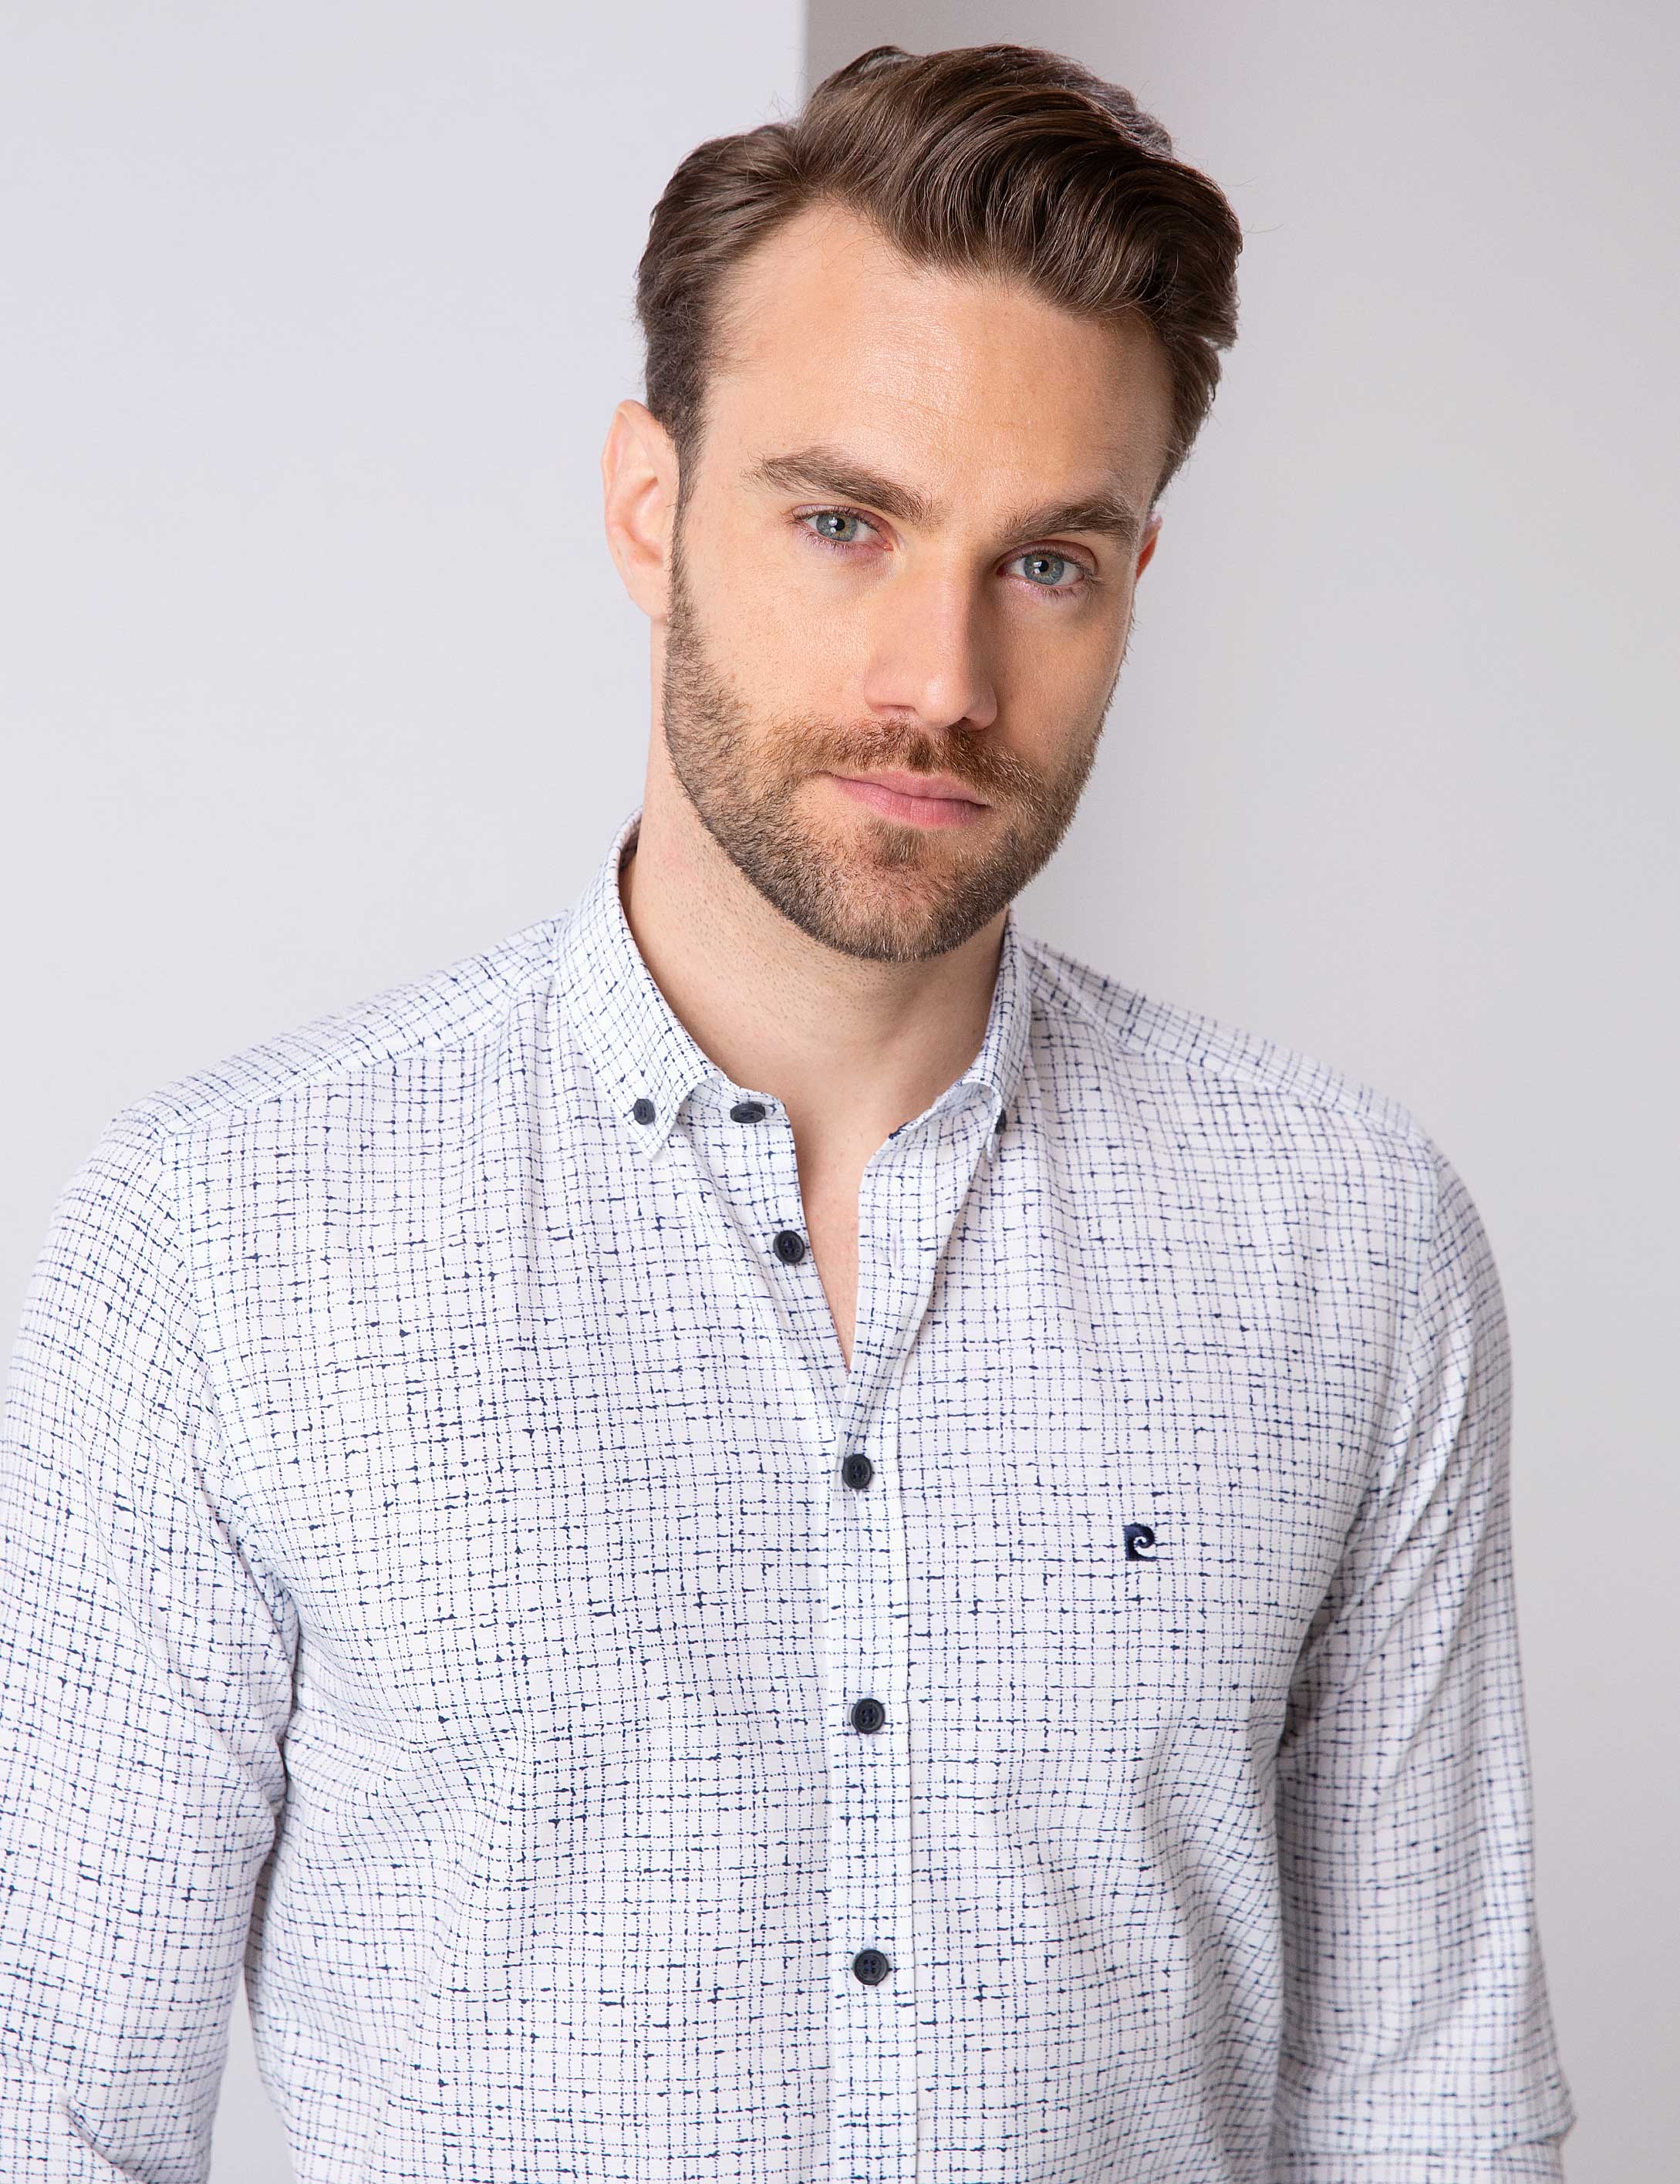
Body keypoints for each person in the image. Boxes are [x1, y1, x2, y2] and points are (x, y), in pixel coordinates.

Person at [0, 41, 1575, 2184]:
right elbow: (56, 2117)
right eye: (844, 522)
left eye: (1047, 562)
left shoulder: (1346, 1242)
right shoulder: (221, 1241)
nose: (941, 680)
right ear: (648, 509)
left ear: (1138, 575)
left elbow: (1432, 2117)